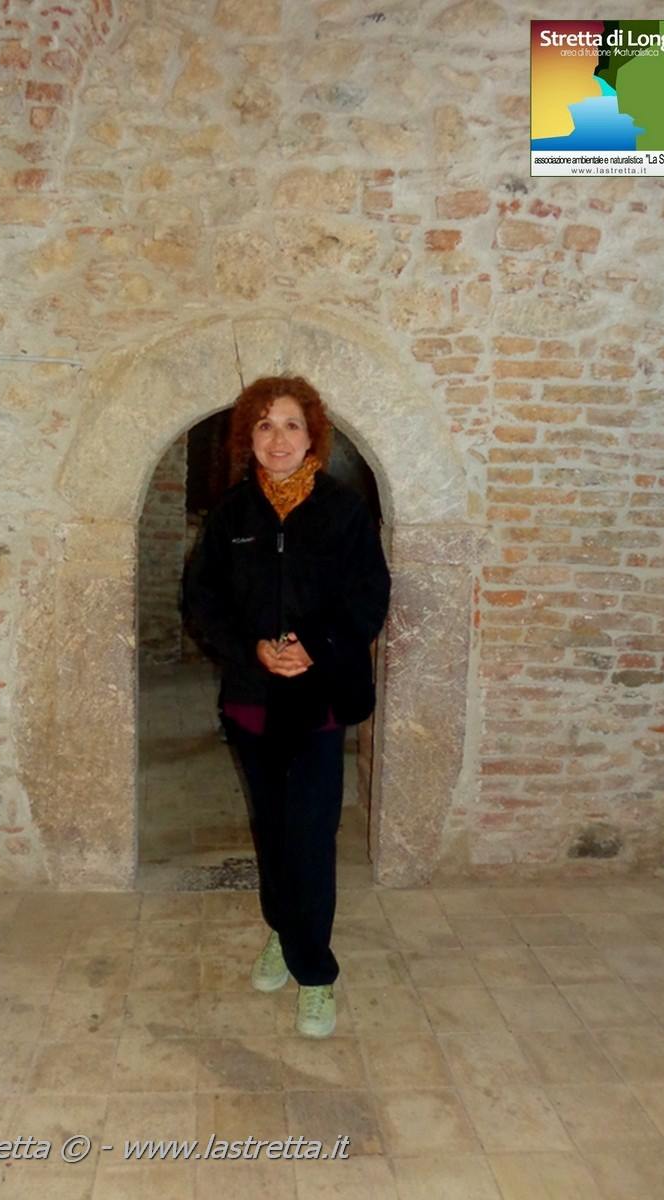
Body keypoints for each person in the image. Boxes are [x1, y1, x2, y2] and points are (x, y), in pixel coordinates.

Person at [183, 375, 391, 1038]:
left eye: (291, 424)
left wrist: (314, 647)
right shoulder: (232, 516)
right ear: (248, 437)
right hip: (253, 699)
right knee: (271, 829)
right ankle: (282, 927)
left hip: (318, 699)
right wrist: (251, 649)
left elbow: (368, 597)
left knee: (310, 834)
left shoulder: (342, 511)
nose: (279, 438)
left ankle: (316, 971)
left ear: (313, 436)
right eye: (265, 425)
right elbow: (202, 601)